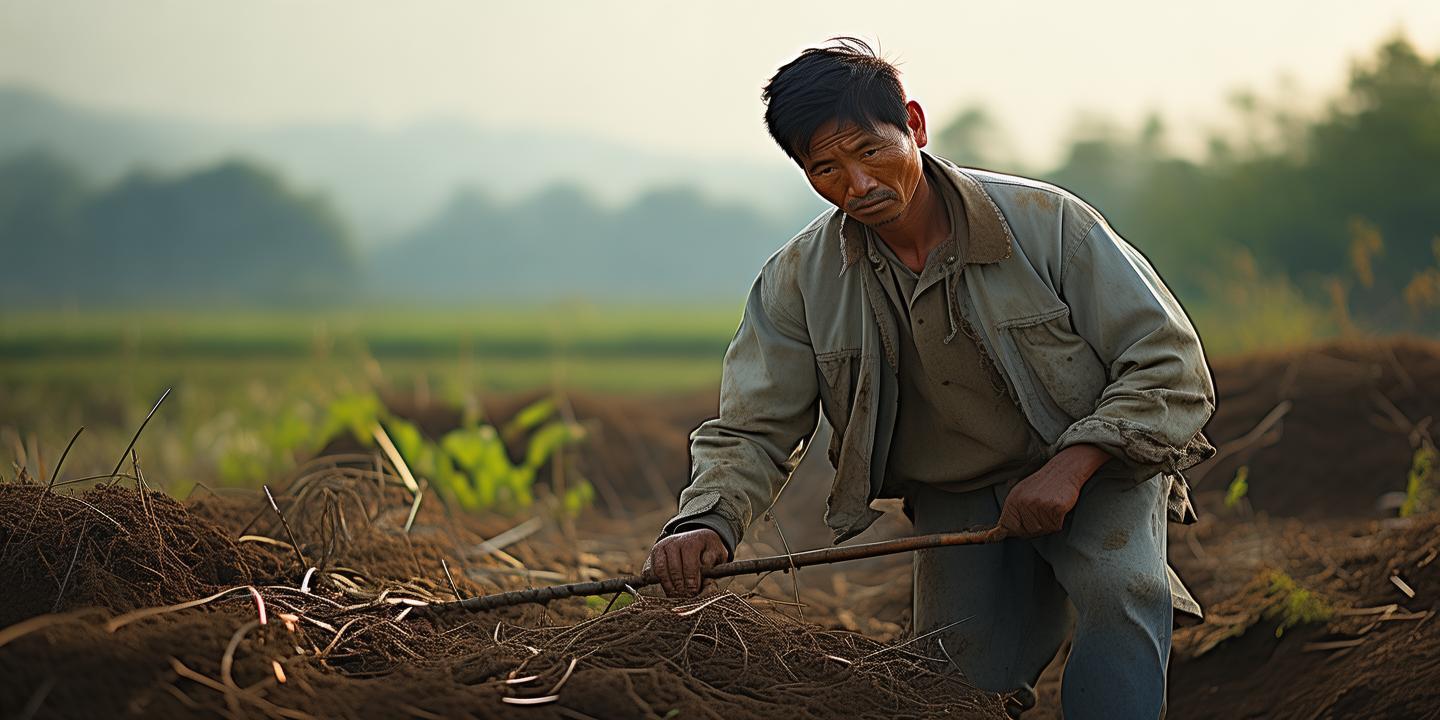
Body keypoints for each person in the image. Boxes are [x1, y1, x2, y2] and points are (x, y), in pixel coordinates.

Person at [642, 38, 1215, 719]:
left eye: (871, 151)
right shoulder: (798, 281)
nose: (857, 185)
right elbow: (752, 427)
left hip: (1097, 467)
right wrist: (707, 520)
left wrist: (1073, 466)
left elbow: (1169, 363)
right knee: (953, 681)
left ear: (914, 124)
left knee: (1123, 594)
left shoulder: (1047, 225)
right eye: (825, 168)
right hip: (958, 489)